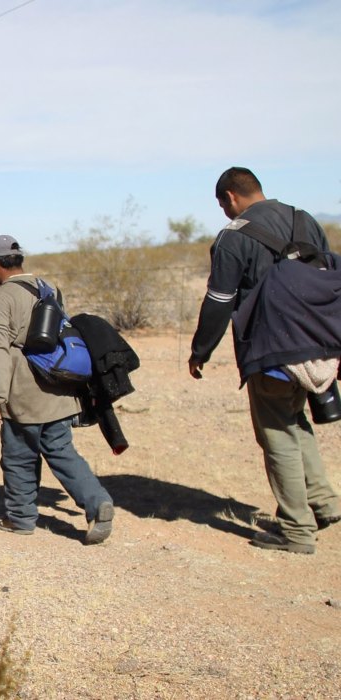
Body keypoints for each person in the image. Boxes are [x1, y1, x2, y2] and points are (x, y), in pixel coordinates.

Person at [188, 167, 341, 554]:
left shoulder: (233, 236)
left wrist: (200, 351)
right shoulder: (304, 219)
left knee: (276, 436)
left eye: (222, 204)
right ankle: (323, 503)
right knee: (294, 419)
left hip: (272, 348)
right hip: (319, 342)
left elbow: (219, 300)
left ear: (230, 197)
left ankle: (296, 530)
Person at [0, 234, 113, 544]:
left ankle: (21, 518)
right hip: (60, 389)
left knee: (18, 456)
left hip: (25, 394)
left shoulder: (1, 298)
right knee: (62, 451)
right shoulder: (47, 287)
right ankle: (96, 501)